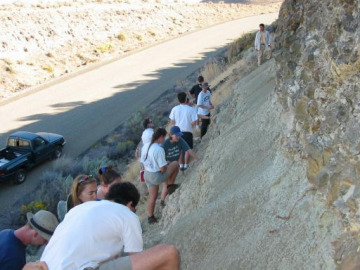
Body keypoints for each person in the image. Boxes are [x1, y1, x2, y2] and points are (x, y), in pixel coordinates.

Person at [41, 182, 180, 270]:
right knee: (169, 253)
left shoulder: (80, 209)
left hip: (45, 265)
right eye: (134, 208)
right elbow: (136, 257)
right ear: (130, 204)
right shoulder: (128, 215)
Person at [141, 128, 179, 224]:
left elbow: (144, 161)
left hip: (147, 174)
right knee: (175, 164)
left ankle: (150, 217)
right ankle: (170, 186)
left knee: (152, 197)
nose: (164, 139)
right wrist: (166, 164)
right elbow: (163, 169)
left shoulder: (145, 146)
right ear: (160, 137)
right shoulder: (159, 149)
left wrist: (164, 164)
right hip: (156, 176)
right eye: (164, 137)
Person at [169, 92, 198, 170]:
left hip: (176, 132)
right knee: (187, 149)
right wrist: (190, 124)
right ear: (186, 99)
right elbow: (194, 122)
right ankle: (186, 164)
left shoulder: (174, 109)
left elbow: (172, 122)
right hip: (187, 131)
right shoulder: (191, 109)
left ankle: (181, 165)